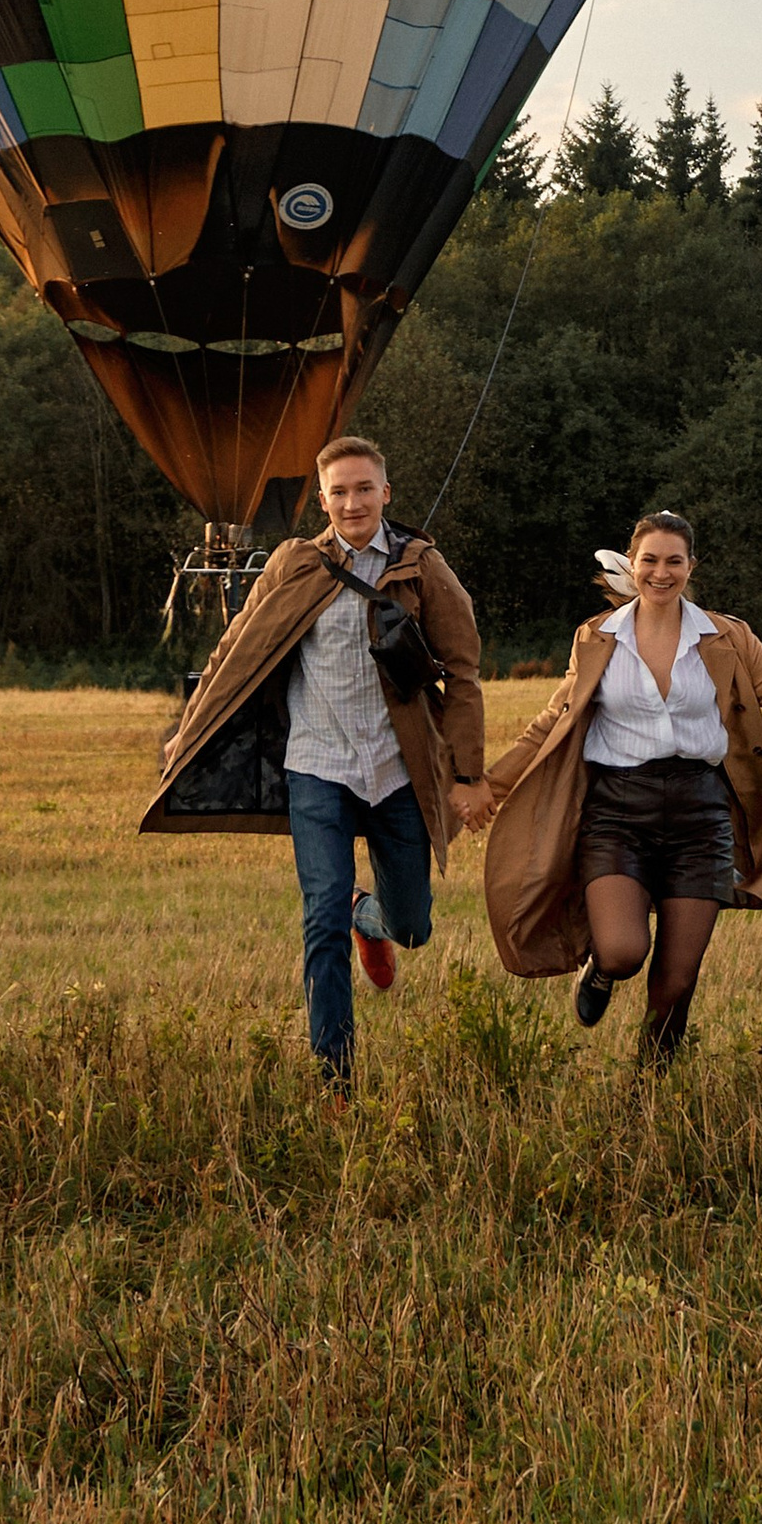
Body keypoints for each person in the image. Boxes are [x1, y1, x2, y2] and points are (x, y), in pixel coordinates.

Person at [475, 510, 762, 1062]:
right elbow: (550, 724)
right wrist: (488, 786)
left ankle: (649, 1098)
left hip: (701, 816)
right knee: (624, 951)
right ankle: (598, 969)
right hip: (618, 813)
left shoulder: (726, 639)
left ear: (691, 567)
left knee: (675, 984)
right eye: (650, 560)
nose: (662, 573)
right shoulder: (597, 639)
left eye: (675, 561)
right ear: (634, 563)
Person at [148, 433, 491, 1087]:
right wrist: (187, 729)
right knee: (319, 919)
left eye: (365, 489)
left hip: (396, 770)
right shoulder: (296, 564)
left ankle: (373, 915)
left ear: (386, 493)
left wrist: (469, 776)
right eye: (339, 491)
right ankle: (337, 1081)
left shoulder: (422, 568)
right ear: (323, 500)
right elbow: (236, 649)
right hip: (317, 766)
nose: (353, 502)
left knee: (412, 924)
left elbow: (465, 673)